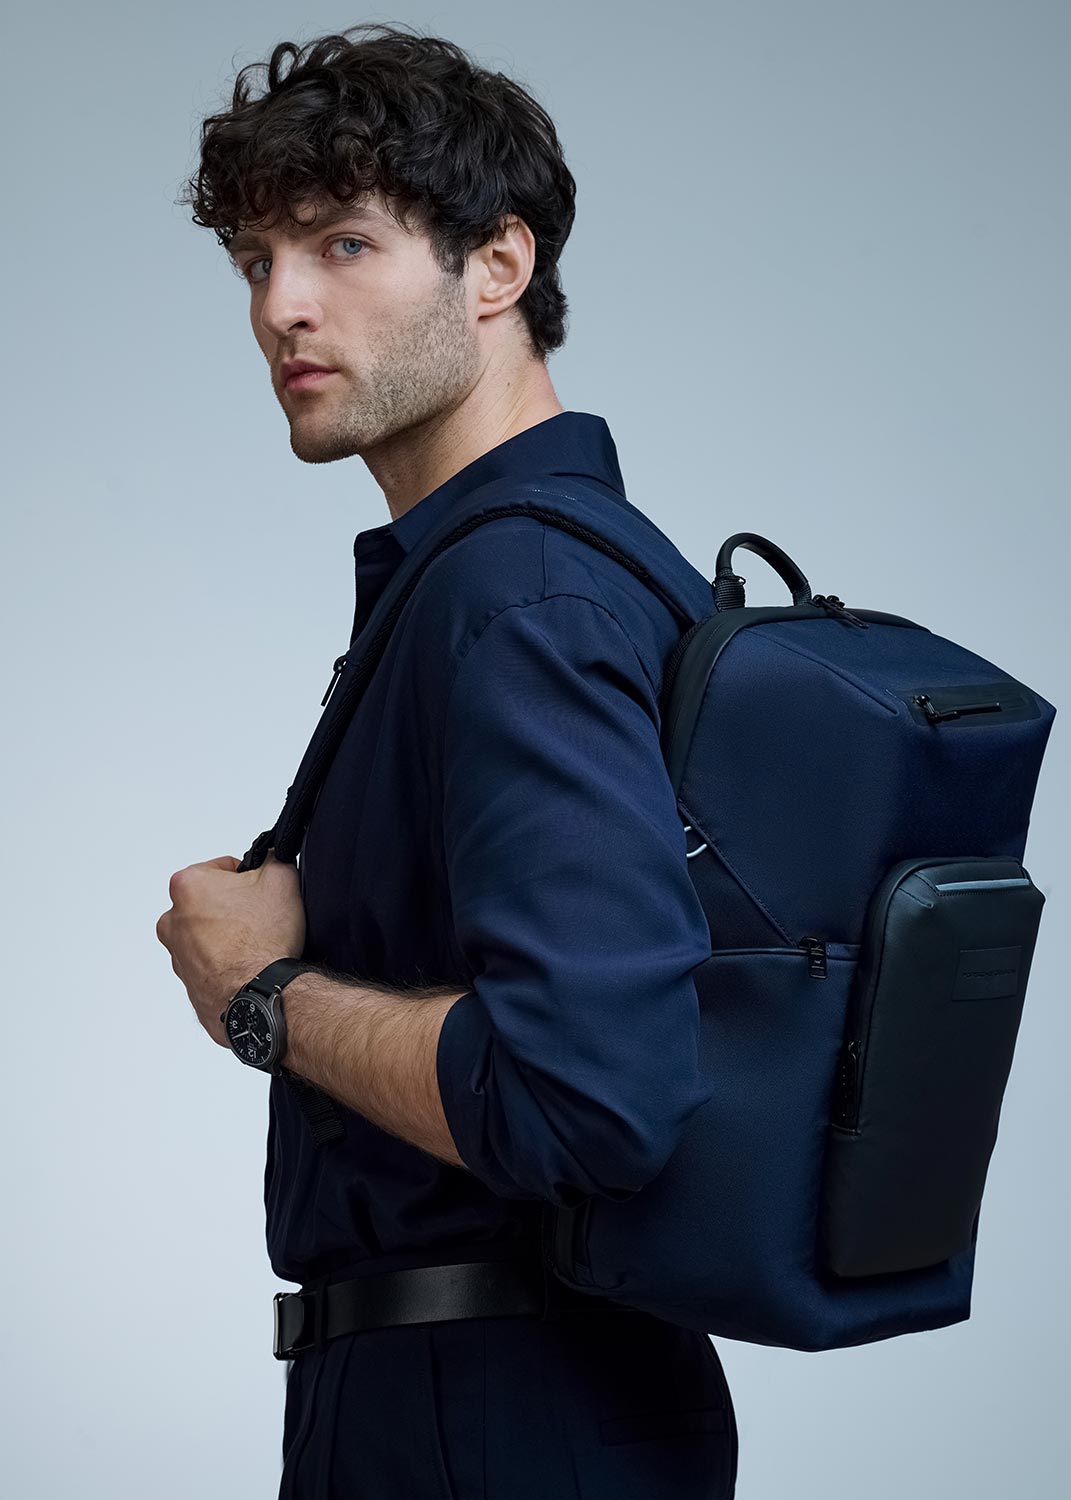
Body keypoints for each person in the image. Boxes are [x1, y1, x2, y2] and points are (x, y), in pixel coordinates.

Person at [164, 20, 739, 1499]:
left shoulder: (517, 595)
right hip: (519, 1397)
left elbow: (586, 1096)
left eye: (343, 245)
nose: (281, 306)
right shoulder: (535, 571)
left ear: (497, 266)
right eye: (255, 261)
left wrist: (261, 995)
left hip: (485, 1416)